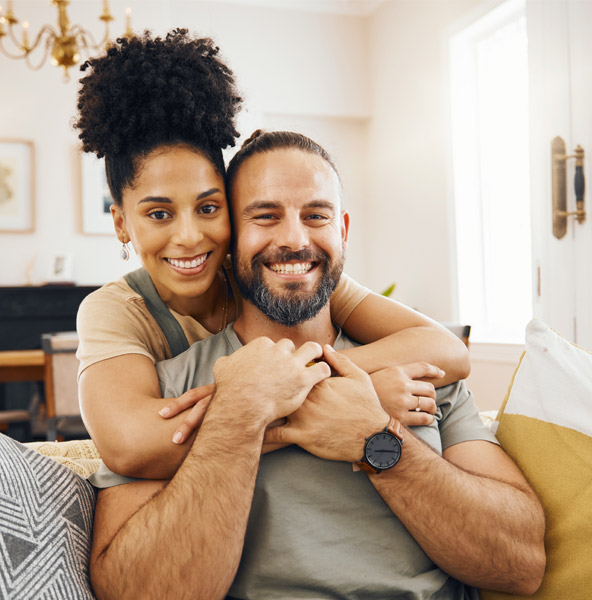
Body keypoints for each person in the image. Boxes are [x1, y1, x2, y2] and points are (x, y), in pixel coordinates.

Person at [88, 131, 546, 600]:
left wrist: (377, 441)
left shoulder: (420, 372)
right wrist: (241, 412)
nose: (293, 239)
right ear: (232, 238)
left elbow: (521, 566)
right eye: (264, 216)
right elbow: (133, 589)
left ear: (342, 229)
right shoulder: (169, 393)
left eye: (316, 216)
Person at [74, 29, 470, 482]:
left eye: (208, 208)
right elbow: (129, 445)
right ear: (121, 223)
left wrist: (315, 381)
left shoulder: (263, 271)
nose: (189, 237)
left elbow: (446, 351)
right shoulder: (115, 311)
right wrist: (302, 405)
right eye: (159, 213)